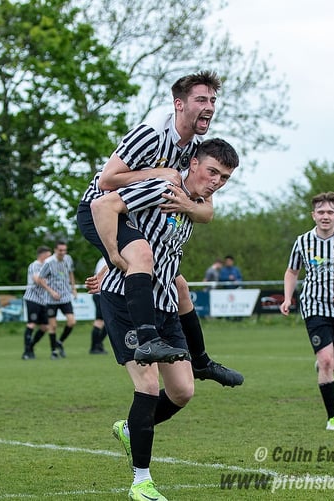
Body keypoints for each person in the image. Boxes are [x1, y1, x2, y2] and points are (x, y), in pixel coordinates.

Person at [92, 138, 239, 501]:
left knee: (182, 391)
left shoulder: (197, 201)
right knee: (146, 384)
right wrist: (114, 256)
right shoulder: (162, 187)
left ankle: (130, 428)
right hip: (126, 299)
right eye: (212, 172)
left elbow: (206, 212)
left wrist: (195, 203)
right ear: (193, 163)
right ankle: (141, 481)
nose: (217, 181)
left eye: (225, 177)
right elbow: (104, 204)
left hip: (165, 302)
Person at [76, 70, 243, 387]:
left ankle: (202, 362)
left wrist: (188, 206)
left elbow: (206, 210)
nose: (209, 106)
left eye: (212, 100)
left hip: (130, 209)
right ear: (179, 105)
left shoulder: (195, 147)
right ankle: (146, 338)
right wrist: (159, 174)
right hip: (99, 208)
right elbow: (106, 181)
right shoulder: (151, 133)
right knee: (140, 254)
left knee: (177, 284)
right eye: (200, 99)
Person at [279, 192, 334, 431]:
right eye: (321, 212)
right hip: (314, 305)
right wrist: (288, 298)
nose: (325, 216)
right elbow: (292, 272)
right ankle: (332, 417)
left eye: (330, 212)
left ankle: (323, 363)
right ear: (313, 215)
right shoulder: (303, 241)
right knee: (328, 361)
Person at [35, 241, 77, 359]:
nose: (63, 252)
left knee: (72, 321)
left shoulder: (68, 259)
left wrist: (73, 288)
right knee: (52, 326)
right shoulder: (48, 263)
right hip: (51, 299)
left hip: (65, 297)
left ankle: (60, 342)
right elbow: (40, 279)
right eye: (60, 250)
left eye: (64, 250)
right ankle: (53, 351)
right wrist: (51, 291)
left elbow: (71, 273)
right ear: (55, 250)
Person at [21, 245, 52, 359]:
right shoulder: (35, 265)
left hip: (43, 300)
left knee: (45, 327)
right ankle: (27, 351)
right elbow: (37, 280)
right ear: (42, 255)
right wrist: (50, 288)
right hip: (32, 298)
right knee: (31, 324)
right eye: (48, 255)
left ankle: (31, 347)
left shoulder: (48, 267)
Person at [89, 257, 109, 354]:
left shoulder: (103, 259)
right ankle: (94, 346)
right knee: (100, 321)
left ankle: (98, 344)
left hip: (103, 295)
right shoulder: (104, 261)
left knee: (107, 322)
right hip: (100, 295)